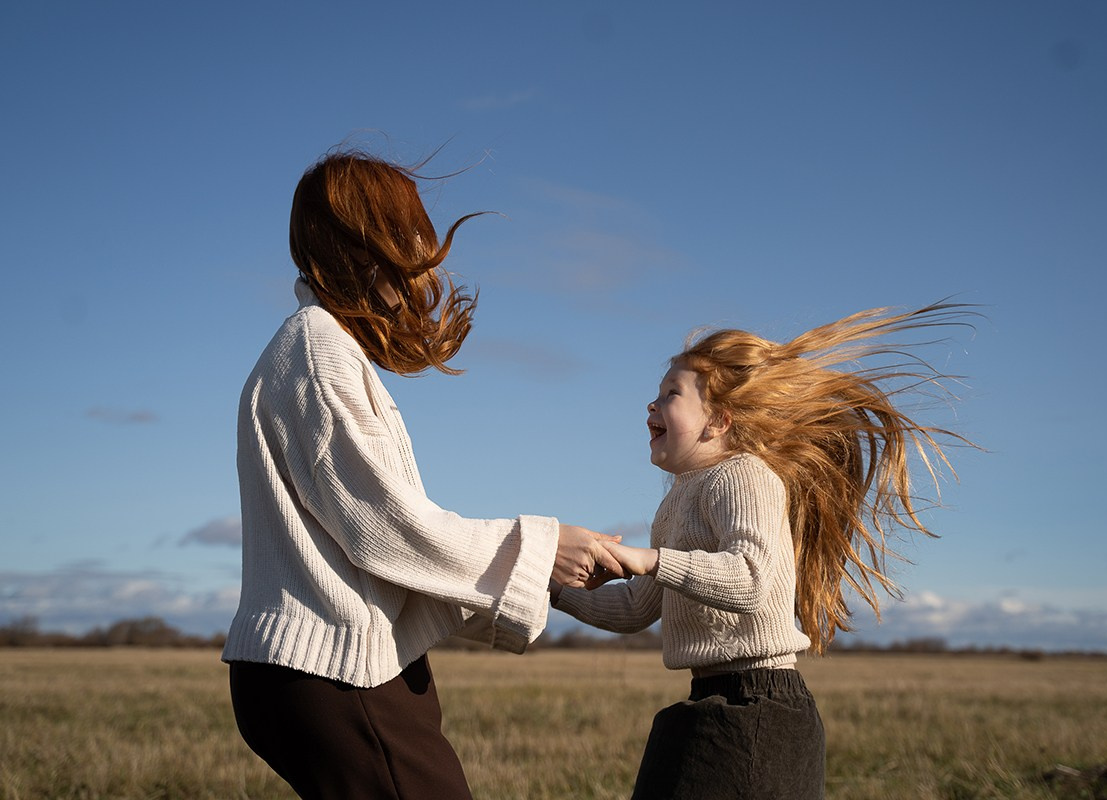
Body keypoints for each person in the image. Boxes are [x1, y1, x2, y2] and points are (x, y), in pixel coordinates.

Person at [222, 150, 622, 799]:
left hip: (327, 668)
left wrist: (544, 579)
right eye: (409, 235)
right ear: (365, 245)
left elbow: (382, 549)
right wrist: (542, 547)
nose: (426, 258)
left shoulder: (317, 349)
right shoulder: (319, 353)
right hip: (339, 675)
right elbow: (389, 534)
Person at [553, 303, 974, 799]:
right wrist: (550, 589)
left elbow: (753, 578)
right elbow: (635, 608)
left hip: (760, 709)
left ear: (718, 421)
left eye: (671, 394)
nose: (651, 405)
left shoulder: (744, 475)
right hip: (712, 701)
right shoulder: (678, 498)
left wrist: (649, 559)